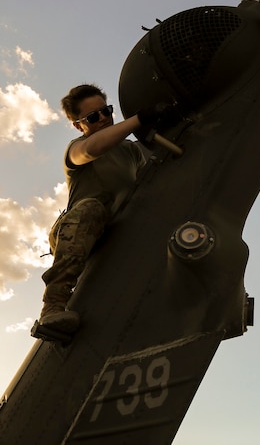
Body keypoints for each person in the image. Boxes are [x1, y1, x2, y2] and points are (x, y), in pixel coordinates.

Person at [38, 83, 174, 334]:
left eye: (106, 111)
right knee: (92, 208)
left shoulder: (132, 151)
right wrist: (140, 119)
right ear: (79, 125)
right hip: (78, 230)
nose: (103, 119)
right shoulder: (76, 149)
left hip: (117, 231)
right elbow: (92, 148)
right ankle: (53, 305)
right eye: (92, 117)